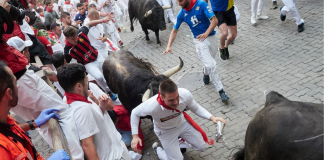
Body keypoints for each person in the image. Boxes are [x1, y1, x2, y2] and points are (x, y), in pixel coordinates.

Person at [5, 35, 85, 160]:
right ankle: (78, 156)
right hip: (21, 81)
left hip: (11, 87)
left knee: (44, 125)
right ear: (21, 52)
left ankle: (70, 155)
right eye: (27, 50)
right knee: (63, 111)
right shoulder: (17, 64)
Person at [131, 79, 226, 159]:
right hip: (165, 131)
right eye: (171, 100)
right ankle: (158, 150)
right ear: (162, 97)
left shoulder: (184, 94)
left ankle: (176, 144)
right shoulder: (152, 105)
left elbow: (196, 108)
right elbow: (134, 113)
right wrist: (135, 136)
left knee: (201, 146)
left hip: (182, 124)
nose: (176, 102)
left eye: (177, 97)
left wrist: (212, 117)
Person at [57, 63, 131, 160]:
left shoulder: (69, 100)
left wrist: (101, 106)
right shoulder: (82, 109)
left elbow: (95, 120)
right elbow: (87, 145)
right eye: (86, 79)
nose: (88, 81)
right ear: (79, 86)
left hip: (116, 147)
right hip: (113, 156)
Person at [0, 61, 70, 160]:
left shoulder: (5, 119)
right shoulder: (2, 150)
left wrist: (33, 124)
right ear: (9, 93)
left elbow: (12, 129)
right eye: (16, 82)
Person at [162, 0, 229, 102]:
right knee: (212, 65)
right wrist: (169, 45)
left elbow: (214, 20)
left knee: (210, 62)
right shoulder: (182, 14)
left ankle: (205, 73)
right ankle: (221, 90)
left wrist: (206, 33)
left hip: (211, 37)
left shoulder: (201, 4)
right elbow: (175, 30)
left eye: (181, 1)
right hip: (199, 42)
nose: (179, 4)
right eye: (177, 2)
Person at [63, 17, 118, 100]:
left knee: (109, 71)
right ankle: (108, 91)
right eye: (73, 39)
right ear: (67, 39)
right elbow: (65, 63)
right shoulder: (67, 50)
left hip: (97, 55)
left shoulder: (81, 32)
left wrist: (102, 20)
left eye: (76, 37)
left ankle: (116, 85)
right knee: (99, 77)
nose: (76, 40)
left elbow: (90, 23)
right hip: (88, 64)